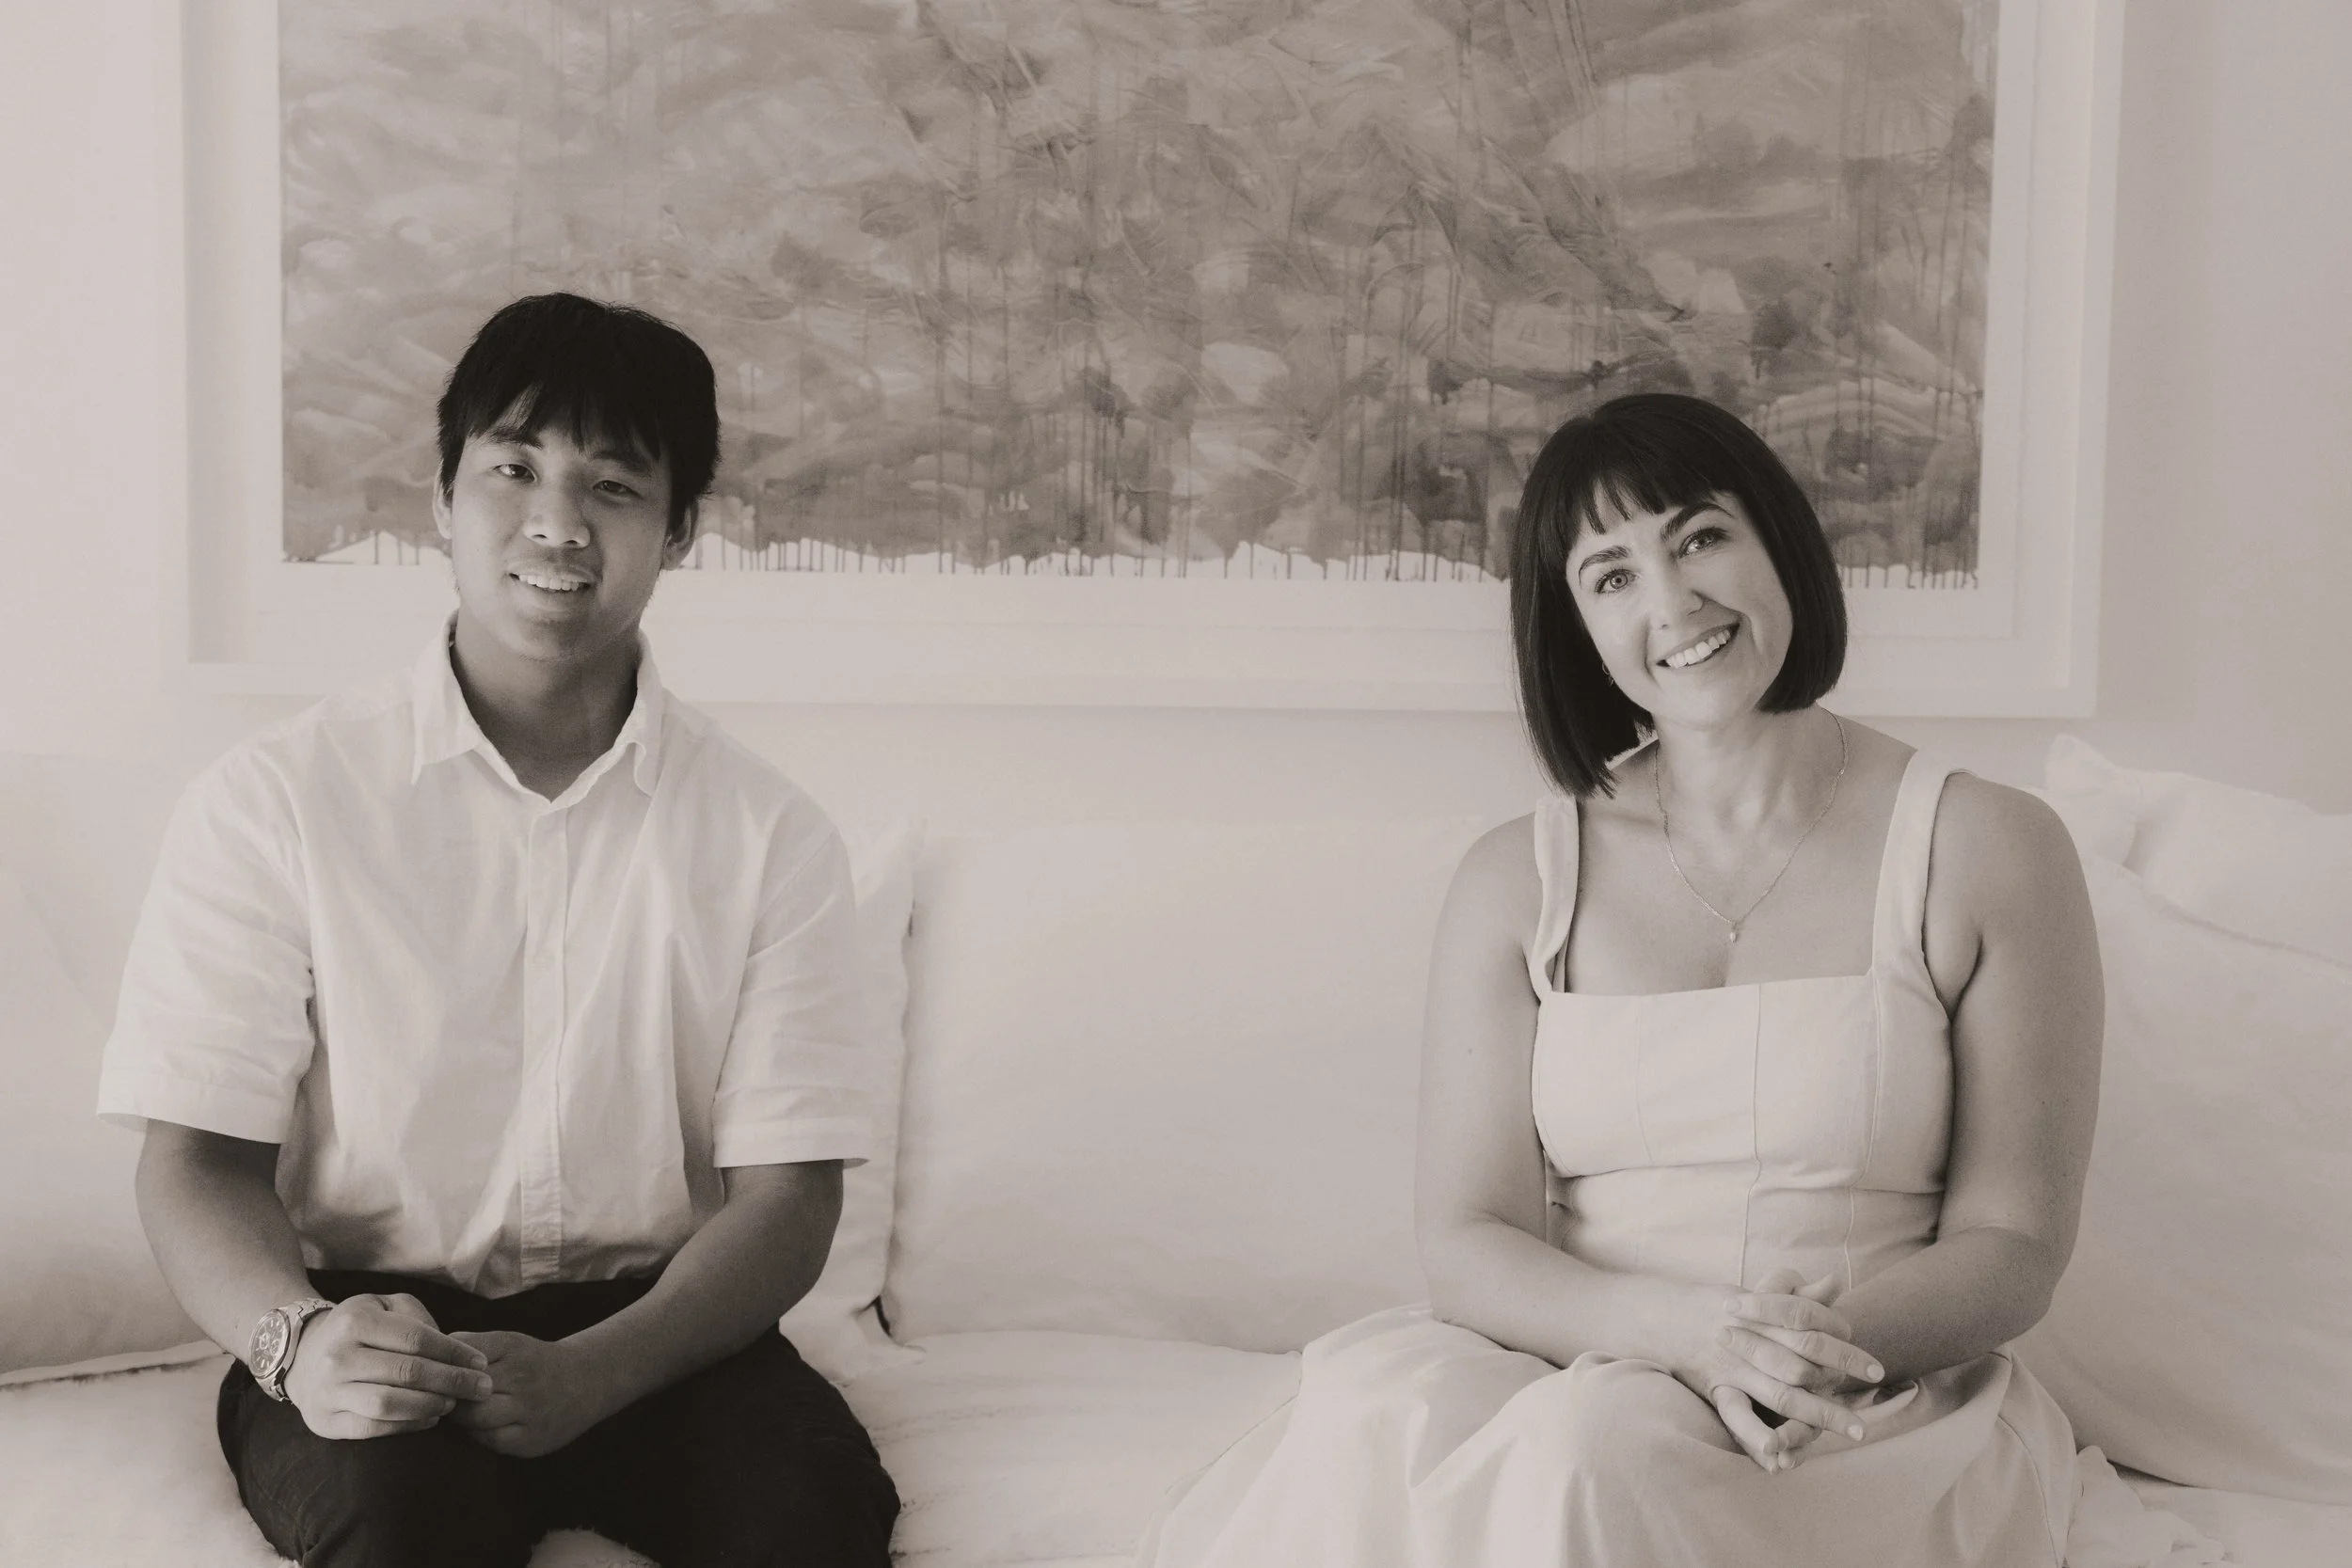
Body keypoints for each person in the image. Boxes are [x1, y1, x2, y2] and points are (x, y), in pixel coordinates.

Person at [1138, 392, 2103, 1566]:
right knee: (1416, 1421)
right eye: (1611, 574)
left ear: (1777, 542)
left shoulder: (1991, 844)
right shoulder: (1513, 877)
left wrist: (1781, 1355)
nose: (1673, 602)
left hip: (1863, 1399)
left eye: (1701, 536)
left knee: (1599, 1450)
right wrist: (1685, 1335)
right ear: (1577, 629)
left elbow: (2013, 1243)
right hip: (1583, 1365)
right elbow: (1467, 1234)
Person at [100, 293, 900, 1567]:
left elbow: (792, 1196)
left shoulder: (768, 832)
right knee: (401, 1531)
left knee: (807, 1524)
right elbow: (193, 1157)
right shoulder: (275, 800)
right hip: (369, 1328)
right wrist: (296, 1346)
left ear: (679, 527)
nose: (557, 522)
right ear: (441, 499)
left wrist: (594, 1369)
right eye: (513, 468)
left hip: (667, 1331)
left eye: (615, 484)